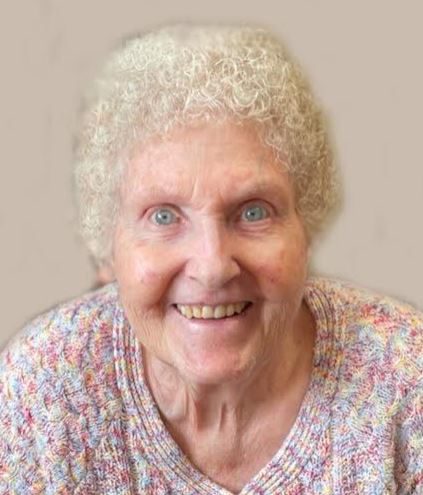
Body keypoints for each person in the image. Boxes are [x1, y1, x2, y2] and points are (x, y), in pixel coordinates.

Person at [0, 24, 421, 495]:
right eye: (163, 216)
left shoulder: (406, 381)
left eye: (254, 212)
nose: (213, 266)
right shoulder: (42, 391)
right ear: (108, 248)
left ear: (305, 228)